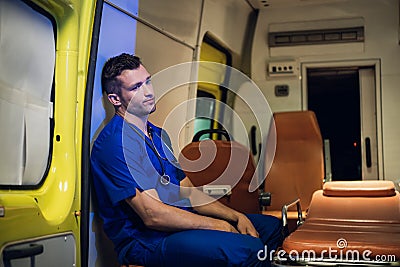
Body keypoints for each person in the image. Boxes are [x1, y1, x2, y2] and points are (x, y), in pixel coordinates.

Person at [90, 53, 283, 267]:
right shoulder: (114, 143)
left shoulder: (158, 135)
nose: (148, 92)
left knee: (271, 227)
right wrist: (218, 226)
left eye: (148, 81)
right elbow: (152, 215)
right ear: (115, 99)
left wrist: (236, 217)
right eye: (136, 88)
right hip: (148, 240)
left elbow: (188, 191)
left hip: (180, 225)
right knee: (249, 250)